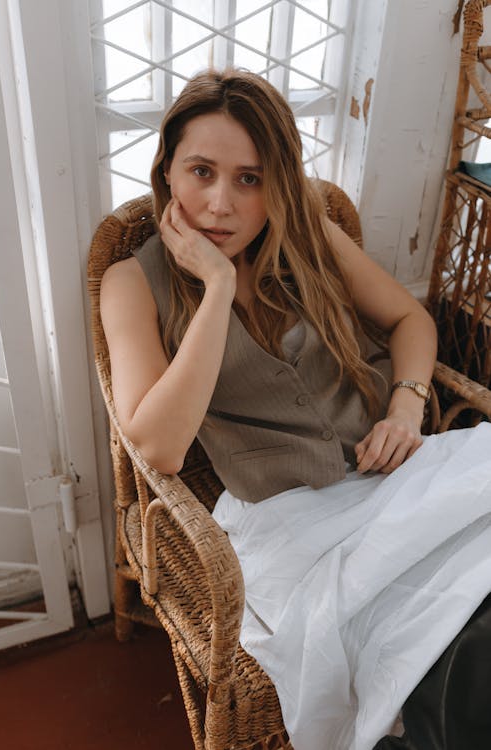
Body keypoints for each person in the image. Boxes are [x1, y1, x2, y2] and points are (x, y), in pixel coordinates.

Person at [100, 69, 491, 750]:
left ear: (277, 181)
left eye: (250, 179)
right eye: (201, 172)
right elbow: (158, 448)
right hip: (295, 517)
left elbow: (409, 320)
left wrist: (405, 407)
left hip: (400, 471)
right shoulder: (132, 282)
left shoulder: (306, 230)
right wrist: (217, 287)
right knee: (433, 648)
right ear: (167, 171)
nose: (221, 204)